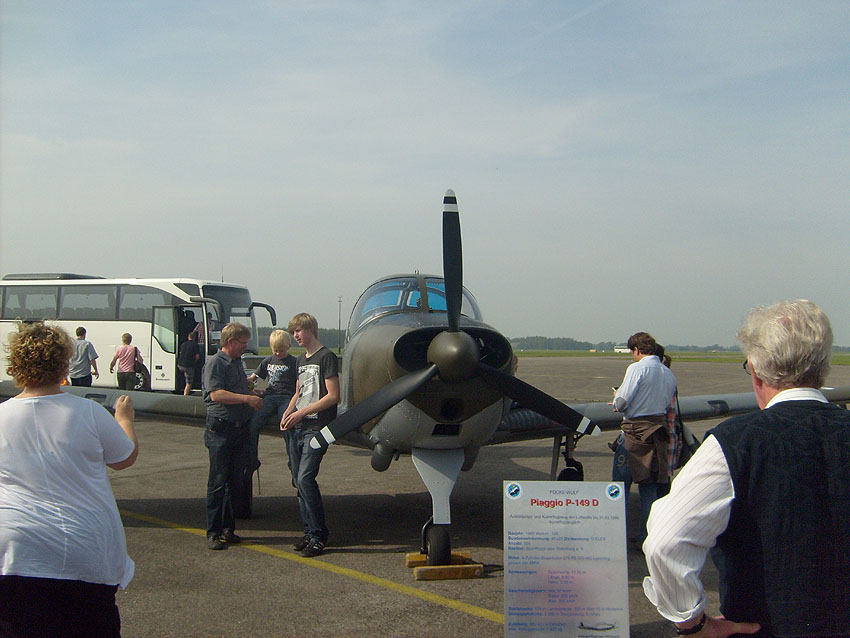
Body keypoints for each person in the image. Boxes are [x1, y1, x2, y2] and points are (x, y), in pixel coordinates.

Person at [643, 300, 850, 637]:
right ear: (824, 365)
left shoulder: (734, 442)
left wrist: (693, 623)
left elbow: (665, 542)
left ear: (754, 369)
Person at [0, 322, 138, 638]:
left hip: (15, 555)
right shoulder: (88, 411)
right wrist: (124, 420)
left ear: (16, 365)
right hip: (82, 552)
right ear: (64, 364)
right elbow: (124, 457)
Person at [281, 313, 340, 558]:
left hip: (316, 427)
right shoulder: (300, 360)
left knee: (306, 478)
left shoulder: (326, 357)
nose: (295, 335)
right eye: (293, 332)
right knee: (298, 480)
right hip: (298, 426)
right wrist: (288, 413)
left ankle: (318, 536)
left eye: (299, 331)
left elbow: (333, 396)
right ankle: (308, 532)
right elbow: (299, 392)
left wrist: (301, 412)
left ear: (311, 330)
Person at [612, 332, 677, 545]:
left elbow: (622, 402)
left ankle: (615, 538)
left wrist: (616, 398)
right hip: (656, 436)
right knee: (648, 488)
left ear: (637, 350)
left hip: (633, 434)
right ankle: (647, 538)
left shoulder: (637, 368)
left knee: (619, 488)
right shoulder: (668, 373)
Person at [202, 322, 262, 550]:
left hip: (239, 429)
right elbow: (216, 394)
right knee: (218, 482)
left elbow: (237, 388)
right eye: (243, 343)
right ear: (230, 342)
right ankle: (213, 532)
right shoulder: (215, 363)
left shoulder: (237, 362)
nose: (245, 347)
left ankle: (228, 528)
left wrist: (252, 391)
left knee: (234, 481)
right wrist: (247, 399)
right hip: (221, 429)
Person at [246, 329, 297, 471]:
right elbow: (254, 377)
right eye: (275, 350)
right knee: (254, 422)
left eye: (281, 351)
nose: (278, 353)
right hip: (270, 396)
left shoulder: (294, 362)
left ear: (288, 346)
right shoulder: (268, 361)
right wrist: (247, 384)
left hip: (287, 397)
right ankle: (251, 458)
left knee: (286, 424)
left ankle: (293, 462)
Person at [177, 331, 201, 396]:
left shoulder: (183, 344)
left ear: (188, 337)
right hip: (188, 366)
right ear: (194, 338)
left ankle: (181, 387)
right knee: (189, 382)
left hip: (180, 365)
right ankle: (185, 395)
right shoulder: (195, 345)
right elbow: (197, 357)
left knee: (183, 376)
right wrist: (194, 363)